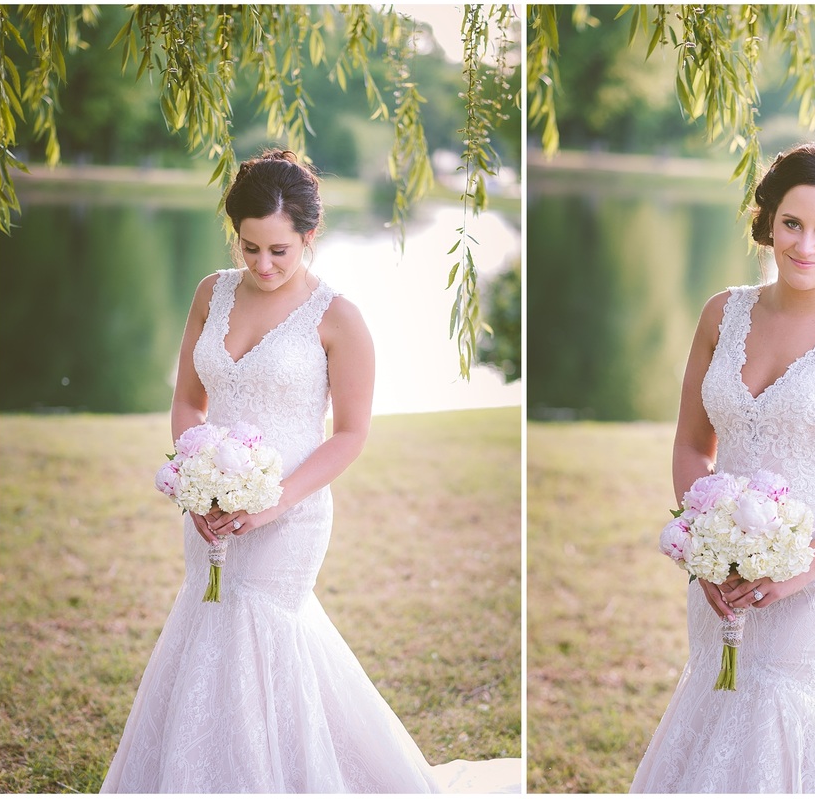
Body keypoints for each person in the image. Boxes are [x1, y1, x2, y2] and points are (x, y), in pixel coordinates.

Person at [101, 149, 520, 793]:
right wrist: (198, 483)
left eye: (279, 251)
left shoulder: (337, 318)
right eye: (249, 248)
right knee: (209, 627)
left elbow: (350, 434)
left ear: (308, 237)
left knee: (258, 634)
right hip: (211, 509)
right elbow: (189, 400)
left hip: (289, 515)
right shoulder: (211, 294)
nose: (262, 265)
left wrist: (269, 505)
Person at [630, 141, 815, 793]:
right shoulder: (721, 314)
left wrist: (802, 566)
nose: (805, 246)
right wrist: (707, 551)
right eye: (792, 223)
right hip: (721, 576)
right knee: (719, 706)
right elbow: (690, 445)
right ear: (767, 220)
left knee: (783, 724)